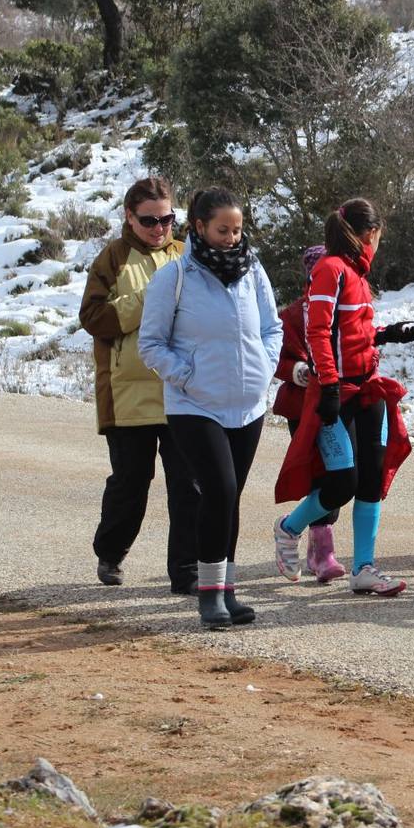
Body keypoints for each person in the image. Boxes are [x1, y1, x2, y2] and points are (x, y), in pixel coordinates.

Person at [139, 187, 283, 628]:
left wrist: (264, 367)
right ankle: (208, 594)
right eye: (223, 229)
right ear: (199, 227)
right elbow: (151, 344)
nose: (231, 238)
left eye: (237, 230)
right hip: (194, 406)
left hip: (247, 406)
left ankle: (228, 590)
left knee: (231, 497)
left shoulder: (252, 270)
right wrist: (187, 376)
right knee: (218, 491)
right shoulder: (174, 277)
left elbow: (272, 327)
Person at [272, 198, 414, 597]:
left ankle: (363, 568)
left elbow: (350, 334)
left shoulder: (357, 274)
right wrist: (330, 385)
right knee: (342, 483)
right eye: (378, 238)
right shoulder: (330, 268)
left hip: (369, 385)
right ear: (369, 235)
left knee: (371, 478)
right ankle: (289, 529)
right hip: (337, 392)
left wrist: (388, 334)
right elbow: (319, 333)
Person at [79, 176, 200, 595]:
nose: (159, 228)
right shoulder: (112, 258)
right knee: (131, 482)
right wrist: (151, 297)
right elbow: (93, 319)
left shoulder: (187, 255)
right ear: (129, 218)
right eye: (149, 220)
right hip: (127, 393)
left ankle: (185, 571)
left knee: (188, 484)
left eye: (167, 219)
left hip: (181, 390)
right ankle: (110, 553)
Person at [270, 244, 343, 583]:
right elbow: (275, 358)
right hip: (301, 406)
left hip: (340, 401)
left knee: (341, 473)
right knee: (319, 473)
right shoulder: (291, 315)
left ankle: (318, 548)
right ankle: (323, 552)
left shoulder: (346, 309)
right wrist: (296, 369)